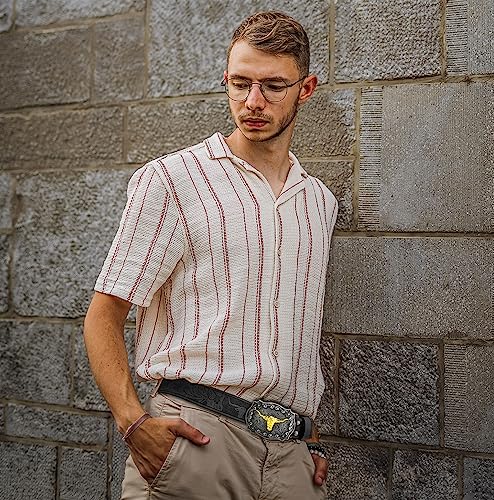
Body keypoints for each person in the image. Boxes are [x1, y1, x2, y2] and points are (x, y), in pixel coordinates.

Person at [84, 11, 338, 500]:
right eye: (240, 84)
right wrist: (134, 423)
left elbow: (299, 336)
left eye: (273, 86)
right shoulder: (173, 181)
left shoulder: (318, 202)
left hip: (292, 458)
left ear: (305, 90)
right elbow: (103, 316)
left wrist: (307, 437)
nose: (253, 101)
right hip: (196, 438)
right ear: (226, 80)